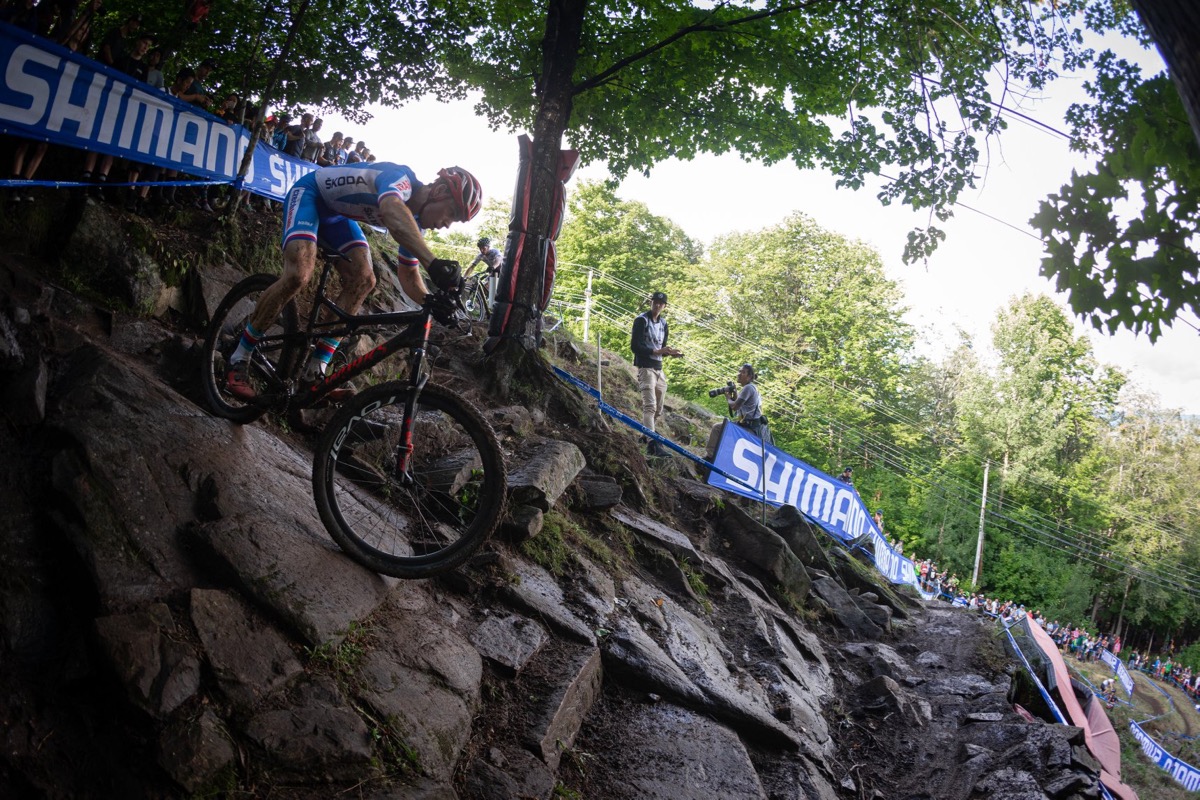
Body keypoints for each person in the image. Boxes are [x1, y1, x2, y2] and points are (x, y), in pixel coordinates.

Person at [224, 164, 483, 400]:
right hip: (310, 195)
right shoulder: (401, 180)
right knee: (298, 275)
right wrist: (434, 263)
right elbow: (392, 211)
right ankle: (240, 355)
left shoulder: (414, 224)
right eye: (452, 213)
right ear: (438, 190)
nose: (448, 225)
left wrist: (433, 301)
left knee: (364, 279)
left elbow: (408, 276)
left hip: (338, 217)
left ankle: (314, 373)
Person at [630, 291, 682, 456]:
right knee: (650, 406)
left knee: (659, 408)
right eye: (655, 302)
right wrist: (658, 350)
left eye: (661, 303)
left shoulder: (664, 323)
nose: (657, 305)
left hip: (659, 368)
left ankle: (645, 436)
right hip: (645, 367)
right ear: (650, 302)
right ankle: (652, 443)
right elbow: (635, 346)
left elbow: (662, 348)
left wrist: (670, 353)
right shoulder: (641, 320)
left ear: (665, 306)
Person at [726, 363, 769, 443]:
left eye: (743, 372)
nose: (739, 374)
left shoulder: (748, 388)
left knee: (718, 429)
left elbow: (735, 407)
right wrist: (735, 393)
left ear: (749, 377)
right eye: (739, 371)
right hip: (751, 426)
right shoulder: (753, 387)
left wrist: (728, 397)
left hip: (749, 428)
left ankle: (710, 455)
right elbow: (739, 406)